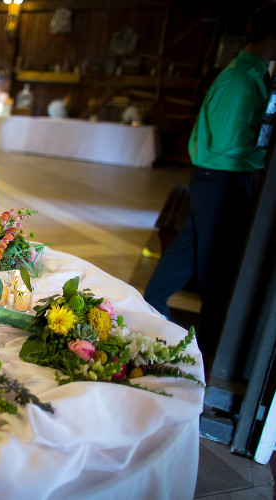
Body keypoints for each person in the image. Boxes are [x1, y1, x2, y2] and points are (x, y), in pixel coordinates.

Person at [144, 1, 276, 361]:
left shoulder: (250, 74)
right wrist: (267, 158)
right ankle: (213, 350)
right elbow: (227, 144)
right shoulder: (241, 80)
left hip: (217, 181)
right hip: (222, 180)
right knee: (219, 270)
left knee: (188, 253)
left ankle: (152, 308)